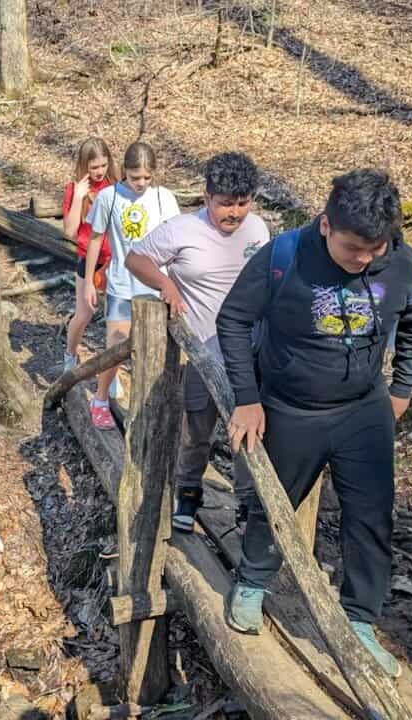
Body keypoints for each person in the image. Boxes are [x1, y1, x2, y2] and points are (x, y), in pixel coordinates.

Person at [216, 169, 412, 678]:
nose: (364, 259)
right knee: (275, 501)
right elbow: (233, 320)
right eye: (353, 248)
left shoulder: (404, 263)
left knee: (371, 516)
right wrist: (247, 399)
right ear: (325, 224)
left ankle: (359, 620)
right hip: (291, 405)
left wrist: (402, 388)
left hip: (364, 406)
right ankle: (253, 581)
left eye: (375, 249)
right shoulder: (284, 257)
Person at [124, 152, 268, 533]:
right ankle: (188, 492)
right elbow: (135, 259)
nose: (234, 213)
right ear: (206, 197)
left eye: (242, 203)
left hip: (249, 353)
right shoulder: (182, 230)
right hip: (202, 351)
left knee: (248, 432)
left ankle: (247, 503)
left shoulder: (258, 230)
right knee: (196, 431)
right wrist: (166, 284)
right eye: (225, 204)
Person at [82, 142, 180, 429]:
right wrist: (88, 282)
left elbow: (177, 242)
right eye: (136, 177)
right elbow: (96, 239)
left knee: (156, 353)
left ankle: (150, 408)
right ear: (125, 170)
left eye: (147, 177)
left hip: (156, 287)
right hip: (121, 285)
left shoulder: (163, 198)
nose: (141, 183)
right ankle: (100, 400)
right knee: (116, 345)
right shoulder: (109, 197)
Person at [62, 138, 121, 372]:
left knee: (115, 317)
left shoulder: (115, 185)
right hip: (88, 260)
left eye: (103, 165)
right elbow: (69, 231)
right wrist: (78, 197)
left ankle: (112, 369)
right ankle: (70, 355)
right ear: (84, 165)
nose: (99, 171)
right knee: (84, 313)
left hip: (113, 260)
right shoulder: (75, 189)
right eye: (94, 167)